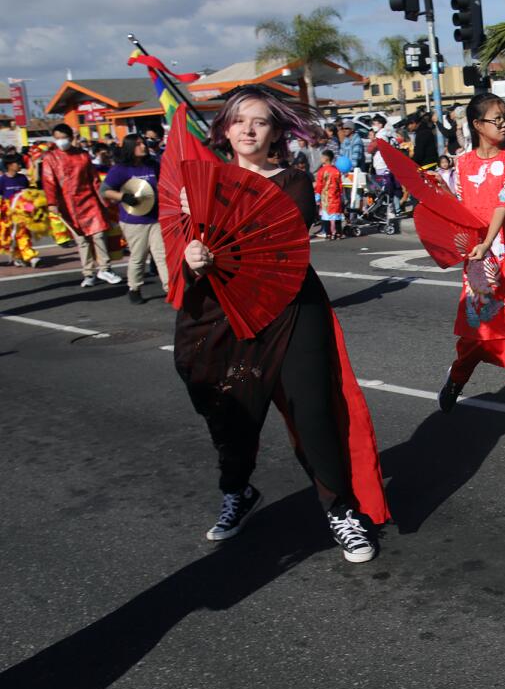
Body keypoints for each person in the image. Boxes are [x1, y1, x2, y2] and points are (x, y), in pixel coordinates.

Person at [175, 85, 388, 561]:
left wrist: (213, 211)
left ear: (275, 132)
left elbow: (281, 232)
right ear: (224, 129)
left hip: (289, 307)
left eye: (260, 122)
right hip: (221, 313)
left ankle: (340, 509)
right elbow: (182, 257)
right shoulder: (199, 186)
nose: (248, 130)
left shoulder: (292, 181)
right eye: (238, 120)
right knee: (231, 413)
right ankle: (237, 491)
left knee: (312, 409)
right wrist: (192, 256)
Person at [437, 93, 505, 412]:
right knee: (479, 329)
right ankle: (457, 377)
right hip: (480, 256)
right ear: (478, 125)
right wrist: (441, 193)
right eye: (497, 118)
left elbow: (504, 203)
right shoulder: (462, 163)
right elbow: (460, 209)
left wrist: (489, 241)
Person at [41, 123, 122, 287]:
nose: (61, 141)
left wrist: (104, 201)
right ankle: (89, 272)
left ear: (71, 138)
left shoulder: (83, 155)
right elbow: (49, 181)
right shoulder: (50, 158)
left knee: (99, 234)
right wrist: (52, 202)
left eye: (63, 138)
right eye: (57, 138)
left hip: (89, 200)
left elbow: (94, 180)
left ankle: (105, 268)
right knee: (81, 239)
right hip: (68, 204)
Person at [101, 134, 164, 304]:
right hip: (134, 221)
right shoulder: (121, 169)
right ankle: (134, 288)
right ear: (129, 147)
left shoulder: (152, 165)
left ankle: (171, 289)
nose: (143, 146)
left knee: (162, 255)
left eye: (143, 143)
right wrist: (123, 197)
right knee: (138, 256)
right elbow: (104, 190)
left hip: (156, 218)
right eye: (138, 144)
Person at [0, 153, 38, 267]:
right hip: (8, 215)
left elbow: (28, 193)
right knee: (12, 237)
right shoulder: (2, 180)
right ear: (10, 165)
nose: (20, 165)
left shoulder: (22, 178)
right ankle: (21, 256)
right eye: (18, 163)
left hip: (22, 214)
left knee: (23, 234)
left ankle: (28, 256)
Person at [314, 149, 345, 240]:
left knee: (326, 217)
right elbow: (340, 184)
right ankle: (338, 233)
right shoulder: (336, 171)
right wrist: (341, 194)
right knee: (337, 216)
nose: (321, 159)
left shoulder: (321, 171)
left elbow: (319, 185)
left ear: (325, 159)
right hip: (335, 197)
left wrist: (317, 195)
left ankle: (328, 234)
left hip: (326, 198)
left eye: (322, 157)